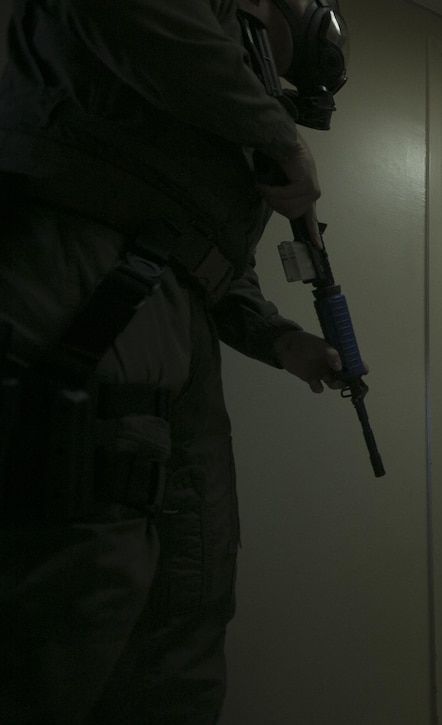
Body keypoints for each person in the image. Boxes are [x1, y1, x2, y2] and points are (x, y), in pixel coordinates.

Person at [0, 1, 353, 722]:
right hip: (81, 297)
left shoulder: (227, 77)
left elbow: (207, 249)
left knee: (185, 612)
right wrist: (272, 129)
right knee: (66, 610)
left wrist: (284, 340)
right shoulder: (198, 39)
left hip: (175, 339)